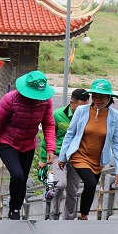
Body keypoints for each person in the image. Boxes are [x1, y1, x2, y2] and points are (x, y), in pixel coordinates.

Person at [0, 70, 56, 220]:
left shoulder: (45, 101)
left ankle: (17, 208)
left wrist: (51, 148)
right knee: (17, 175)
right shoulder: (10, 99)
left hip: (28, 144)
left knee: (23, 179)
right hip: (8, 142)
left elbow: (49, 125)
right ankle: (13, 208)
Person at [58, 79, 118, 220]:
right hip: (79, 155)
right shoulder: (82, 110)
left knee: (91, 187)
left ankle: (83, 215)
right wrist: (63, 157)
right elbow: (70, 133)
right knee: (90, 183)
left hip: (98, 160)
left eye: (101, 96)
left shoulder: (115, 116)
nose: (97, 99)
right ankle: (84, 216)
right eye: (94, 96)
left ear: (109, 98)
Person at [38, 88, 90, 220]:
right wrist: (43, 158)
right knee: (60, 184)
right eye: (80, 107)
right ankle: (55, 214)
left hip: (77, 157)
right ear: (72, 103)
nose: (83, 110)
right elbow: (48, 136)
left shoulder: (88, 117)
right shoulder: (57, 115)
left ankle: (68, 219)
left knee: (73, 191)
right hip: (57, 155)